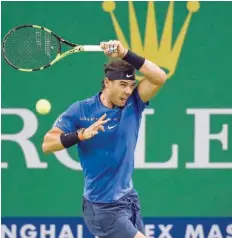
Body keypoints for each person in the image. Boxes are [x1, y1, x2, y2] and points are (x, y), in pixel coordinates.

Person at [42, 40, 167, 238]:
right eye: (123, 85)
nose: (128, 91)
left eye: (131, 85)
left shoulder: (134, 102)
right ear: (107, 83)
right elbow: (48, 144)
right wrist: (81, 134)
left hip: (128, 198)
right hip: (102, 207)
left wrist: (124, 53)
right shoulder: (81, 110)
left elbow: (160, 77)